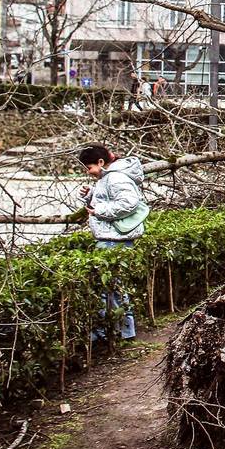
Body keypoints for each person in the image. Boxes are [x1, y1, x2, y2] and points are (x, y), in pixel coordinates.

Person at [78, 144, 148, 340]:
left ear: (101, 162)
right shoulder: (106, 177)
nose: (87, 171)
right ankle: (115, 332)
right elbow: (109, 198)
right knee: (110, 288)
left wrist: (99, 210)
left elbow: (129, 203)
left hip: (114, 240)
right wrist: (90, 195)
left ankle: (122, 332)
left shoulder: (116, 177)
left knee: (113, 288)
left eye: (89, 167)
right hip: (110, 238)